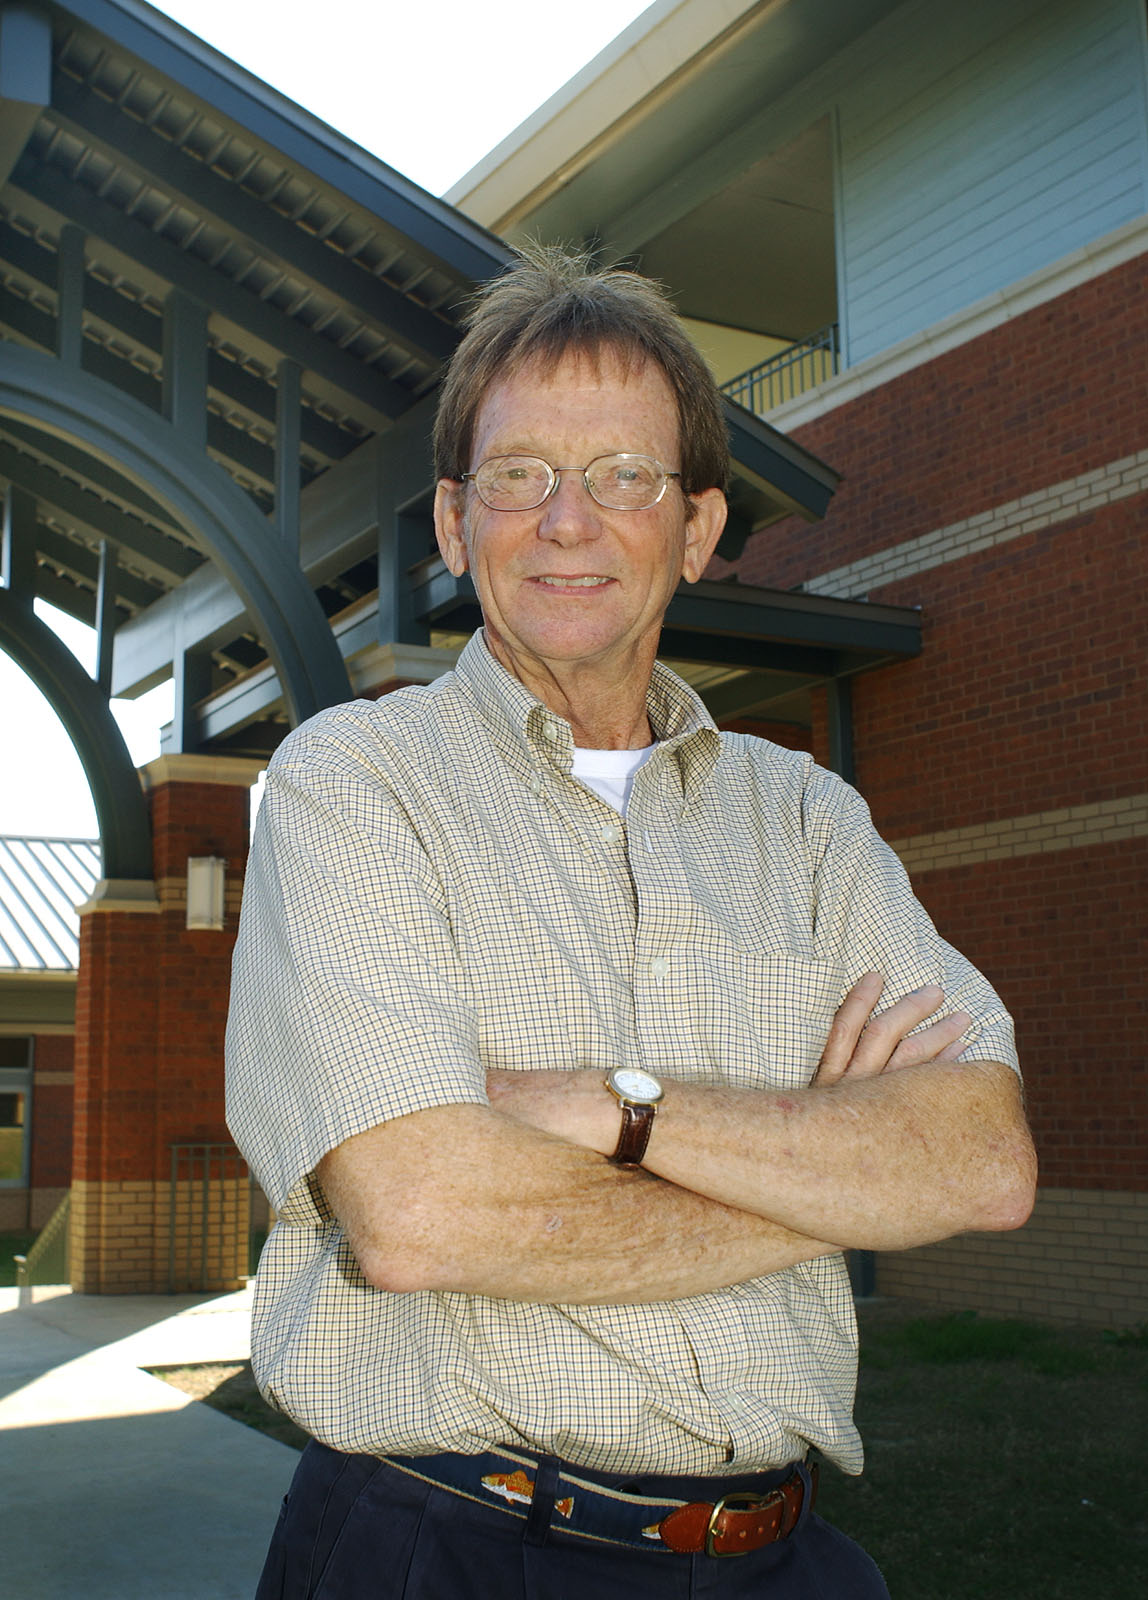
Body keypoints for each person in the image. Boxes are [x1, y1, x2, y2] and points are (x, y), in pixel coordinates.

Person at [225, 246, 1036, 1599]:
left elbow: (983, 1161)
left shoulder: (809, 820)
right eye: (520, 475)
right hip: (451, 1549)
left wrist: (621, 1108)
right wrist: (827, 1175)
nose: (567, 520)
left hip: (789, 1561)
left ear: (698, 528)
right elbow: (419, 1216)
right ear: (451, 519)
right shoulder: (354, 785)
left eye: (623, 477)